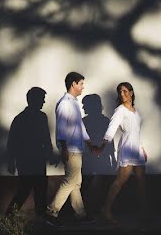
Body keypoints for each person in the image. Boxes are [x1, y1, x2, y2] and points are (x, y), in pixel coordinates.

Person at [44, 71, 99, 226]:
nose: (83, 87)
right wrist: (63, 147)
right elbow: (61, 127)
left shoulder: (73, 103)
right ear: (73, 84)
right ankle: (51, 212)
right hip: (71, 148)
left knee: (76, 183)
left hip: (77, 148)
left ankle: (80, 214)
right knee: (70, 181)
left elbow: (79, 126)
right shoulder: (65, 103)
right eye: (81, 83)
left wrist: (89, 143)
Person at [97, 82, 147, 224]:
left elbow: (136, 131)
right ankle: (105, 210)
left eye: (125, 91)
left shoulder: (135, 111)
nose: (122, 94)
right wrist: (103, 144)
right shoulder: (120, 110)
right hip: (126, 148)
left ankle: (143, 212)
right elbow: (111, 128)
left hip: (137, 150)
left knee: (141, 181)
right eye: (120, 92)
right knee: (120, 180)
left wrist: (142, 147)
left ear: (131, 93)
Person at [5, 87, 55, 217]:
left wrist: (11, 162)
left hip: (27, 161)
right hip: (34, 160)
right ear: (34, 100)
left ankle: (10, 215)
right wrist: (50, 155)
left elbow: (12, 142)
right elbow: (46, 139)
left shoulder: (20, 118)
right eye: (42, 99)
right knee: (35, 191)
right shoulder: (39, 117)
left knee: (29, 191)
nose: (43, 102)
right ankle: (12, 215)